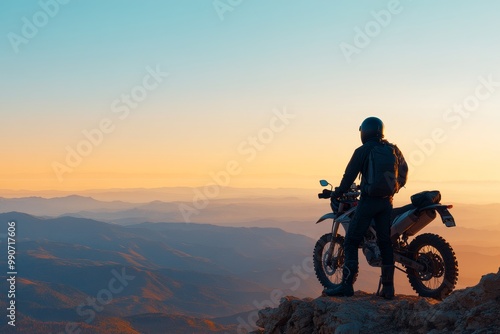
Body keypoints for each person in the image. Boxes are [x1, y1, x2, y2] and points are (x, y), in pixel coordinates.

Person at [324, 117, 408, 300]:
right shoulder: (393, 149)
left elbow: (349, 175)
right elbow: (404, 172)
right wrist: (394, 188)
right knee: (385, 243)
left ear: (365, 132)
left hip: (369, 201)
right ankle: (388, 289)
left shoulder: (363, 150)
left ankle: (346, 286)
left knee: (351, 241)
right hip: (387, 202)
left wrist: (337, 193)